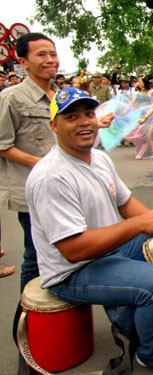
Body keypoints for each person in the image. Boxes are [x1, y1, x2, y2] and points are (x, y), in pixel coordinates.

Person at [26, 87, 153, 368]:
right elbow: (73, 250)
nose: (84, 121)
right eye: (71, 116)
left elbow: (125, 203)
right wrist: (140, 224)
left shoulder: (98, 158)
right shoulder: (52, 177)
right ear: (55, 126)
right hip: (72, 272)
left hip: (106, 250)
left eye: (88, 113)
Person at [0, 33, 60, 292]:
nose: (50, 60)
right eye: (41, 55)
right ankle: (29, 319)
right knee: (35, 255)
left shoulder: (62, 95)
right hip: (31, 190)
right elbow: (2, 145)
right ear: (23, 62)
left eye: (53, 54)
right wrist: (41, 164)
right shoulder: (11, 98)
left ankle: (58, 310)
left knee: (62, 252)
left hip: (63, 187)